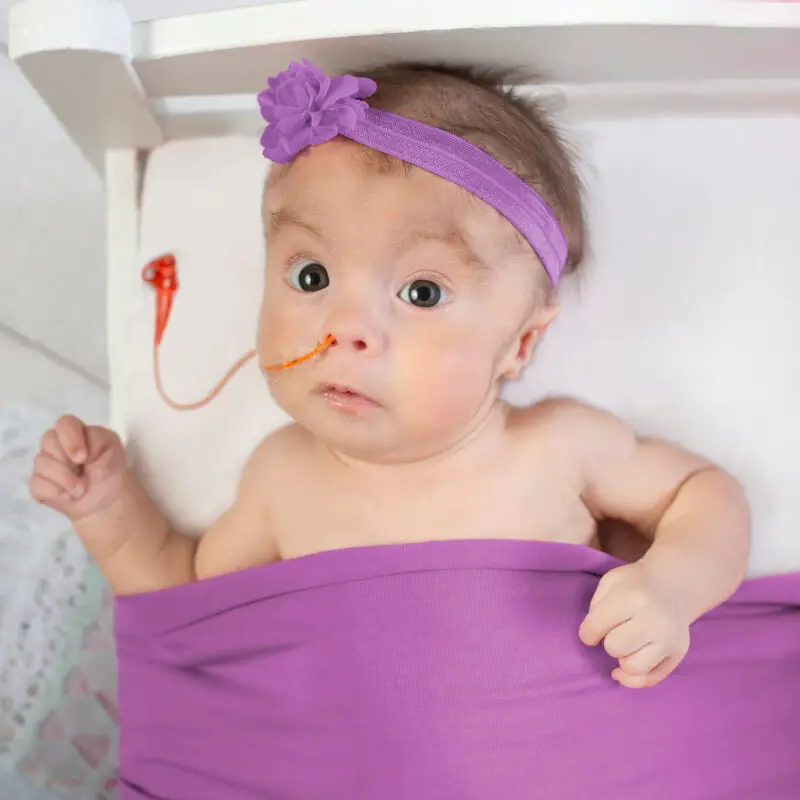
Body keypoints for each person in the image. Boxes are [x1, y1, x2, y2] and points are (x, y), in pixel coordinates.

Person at [28, 60, 749, 691]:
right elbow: (188, 603)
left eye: (422, 293)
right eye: (311, 276)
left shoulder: (557, 446)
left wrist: (672, 585)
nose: (344, 329)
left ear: (519, 345)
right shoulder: (283, 478)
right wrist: (108, 513)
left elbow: (703, 495)